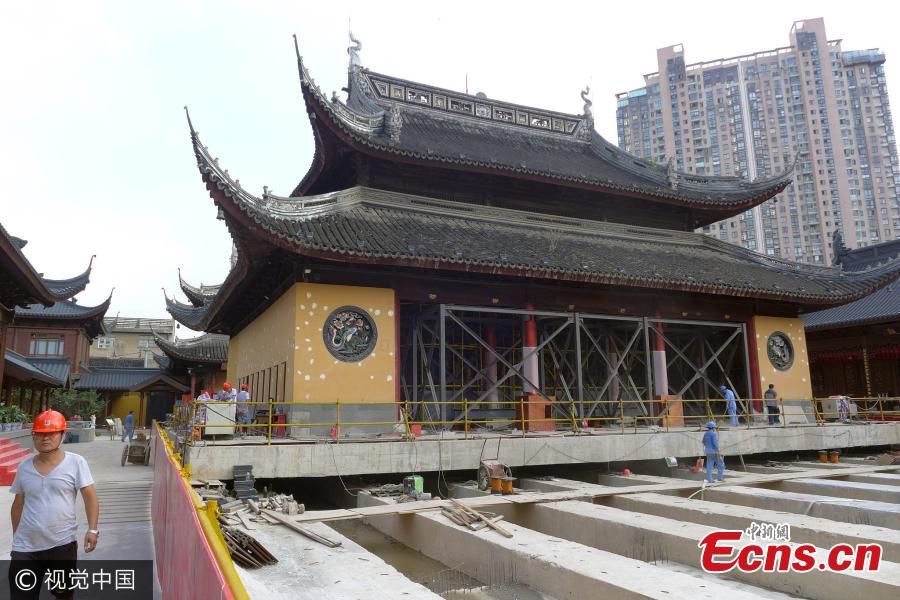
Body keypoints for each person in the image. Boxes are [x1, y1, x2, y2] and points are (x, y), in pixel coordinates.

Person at [9, 410, 99, 599]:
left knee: (63, 595)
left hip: (62, 545)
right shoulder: (24, 467)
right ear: (34, 436)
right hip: (26, 548)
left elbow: (90, 496)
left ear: (62, 435)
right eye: (40, 433)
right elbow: (18, 504)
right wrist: (17, 538)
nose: (45, 438)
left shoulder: (76, 463)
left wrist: (92, 530)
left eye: (51, 433)